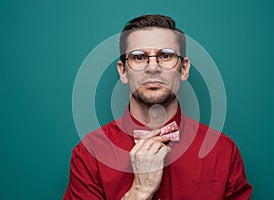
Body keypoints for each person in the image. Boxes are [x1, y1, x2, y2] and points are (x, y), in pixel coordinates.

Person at [64, 14, 252, 200]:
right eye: (139, 57)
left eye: (165, 55)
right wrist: (139, 192)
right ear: (123, 71)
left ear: (184, 69)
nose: (152, 67)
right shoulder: (89, 153)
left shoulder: (223, 151)